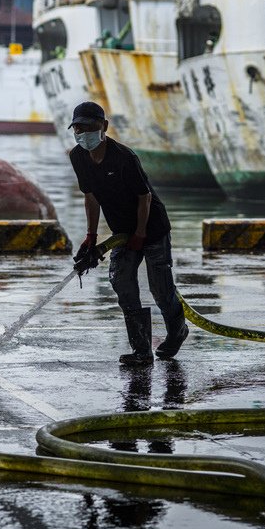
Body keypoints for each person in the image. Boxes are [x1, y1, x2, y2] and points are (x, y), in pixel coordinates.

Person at [68, 101, 189, 366]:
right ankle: (141, 351)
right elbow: (91, 197)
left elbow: (144, 198)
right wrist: (91, 236)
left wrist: (141, 233)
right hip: (121, 230)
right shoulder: (77, 156)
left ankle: (177, 330)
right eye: (78, 127)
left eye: (89, 127)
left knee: (160, 288)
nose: (83, 132)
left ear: (104, 127)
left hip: (152, 228)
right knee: (122, 282)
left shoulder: (124, 157)